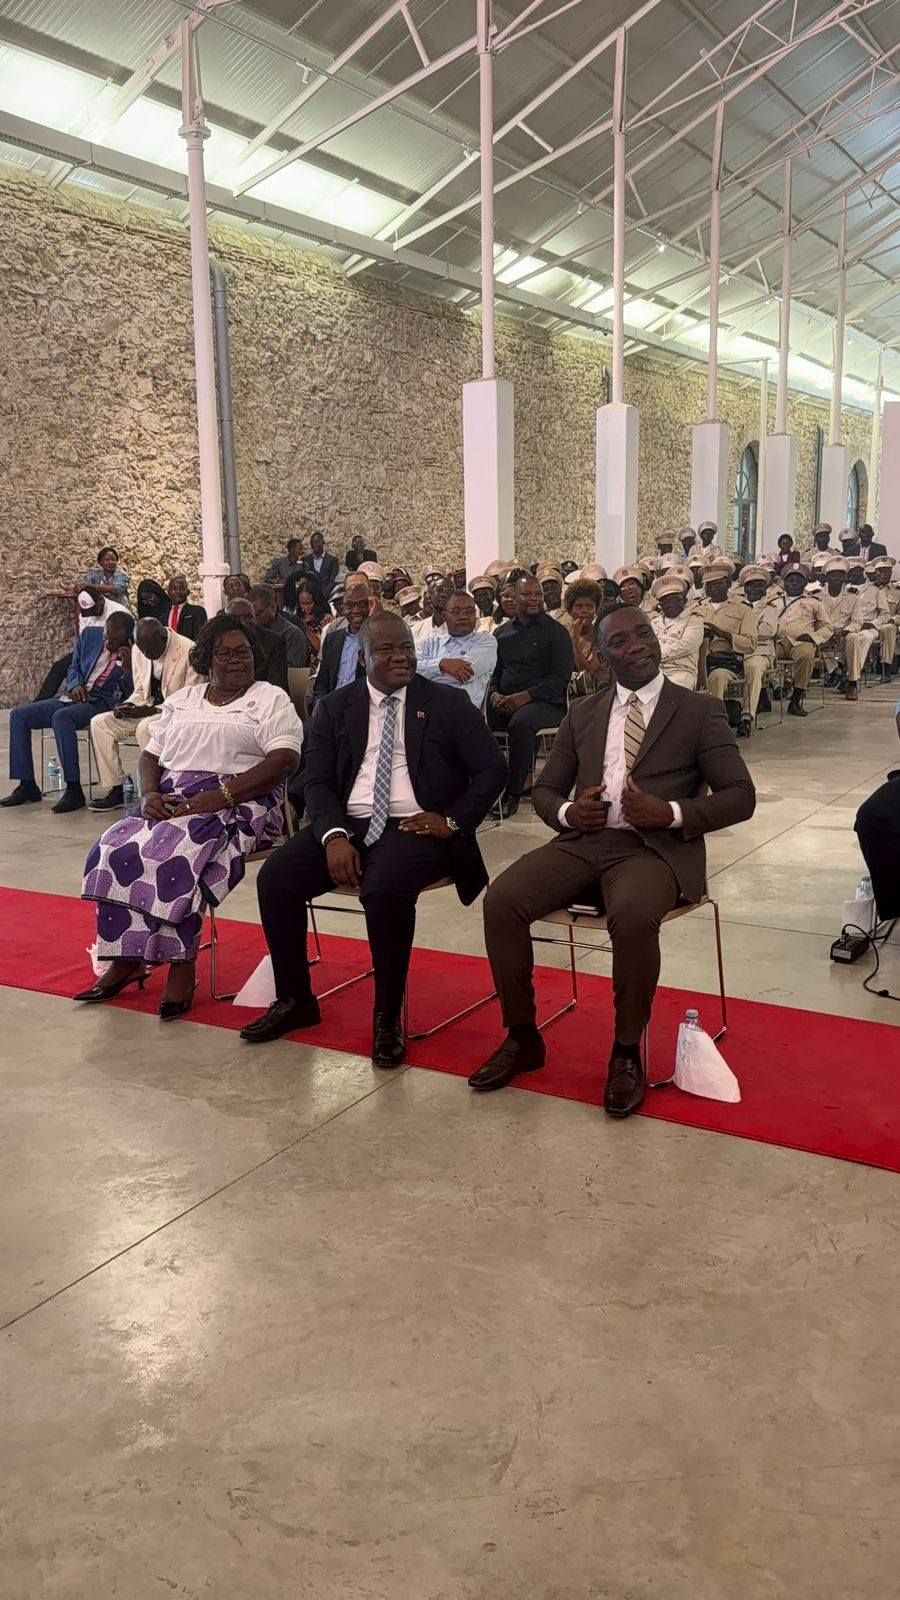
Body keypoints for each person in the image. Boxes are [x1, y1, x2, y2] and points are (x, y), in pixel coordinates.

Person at [468, 606, 756, 1113]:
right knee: (502, 901)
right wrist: (568, 812)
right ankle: (522, 1036)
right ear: (600, 657)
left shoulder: (699, 710)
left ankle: (625, 1051)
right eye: (620, 642)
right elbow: (547, 790)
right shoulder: (583, 712)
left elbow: (740, 796)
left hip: (654, 850)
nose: (637, 645)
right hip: (584, 842)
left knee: (632, 915)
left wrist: (670, 813)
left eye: (643, 634)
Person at [239, 613, 508, 1064]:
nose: (401, 656)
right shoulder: (335, 707)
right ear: (363, 658)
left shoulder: (447, 702)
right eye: (386, 649)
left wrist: (453, 821)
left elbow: (492, 769)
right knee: (276, 877)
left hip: (417, 826)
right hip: (349, 822)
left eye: (406, 647)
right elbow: (317, 780)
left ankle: (386, 1016)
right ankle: (295, 999)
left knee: (383, 889)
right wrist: (332, 835)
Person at [76, 616, 301, 1020]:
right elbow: (151, 756)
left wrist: (222, 796)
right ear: (206, 659)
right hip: (176, 796)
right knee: (113, 847)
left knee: (177, 853)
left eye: (243, 652)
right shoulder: (184, 700)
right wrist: (149, 794)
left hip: (243, 799)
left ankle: (182, 963)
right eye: (225, 654)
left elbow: (284, 760)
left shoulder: (269, 699)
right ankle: (127, 958)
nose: (236, 661)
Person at [2, 613, 134, 813]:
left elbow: (133, 693)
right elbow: (73, 667)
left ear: (127, 640)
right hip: (75, 696)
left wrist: (127, 669)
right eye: (106, 638)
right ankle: (27, 785)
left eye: (114, 643)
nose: (108, 644)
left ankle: (73, 789)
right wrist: (76, 685)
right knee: (19, 715)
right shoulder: (89, 635)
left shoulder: (136, 652)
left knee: (62, 718)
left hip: (102, 702)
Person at [89, 619, 201, 811]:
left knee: (146, 727)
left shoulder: (188, 650)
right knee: (100, 723)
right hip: (148, 708)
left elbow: (191, 698)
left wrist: (151, 711)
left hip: (177, 713)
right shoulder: (139, 649)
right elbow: (141, 690)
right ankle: (116, 788)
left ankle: (156, 789)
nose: (147, 655)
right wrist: (127, 706)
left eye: (151, 651)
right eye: (143, 651)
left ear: (163, 638)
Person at [488, 576, 574, 816]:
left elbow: (560, 679)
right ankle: (483, 786)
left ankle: (513, 792)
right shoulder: (501, 634)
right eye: (527, 594)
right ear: (514, 598)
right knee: (472, 720)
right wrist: (494, 695)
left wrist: (524, 697)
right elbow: (493, 674)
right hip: (505, 701)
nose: (534, 599)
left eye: (538, 594)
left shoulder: (557, 633)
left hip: (546, 703)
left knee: (521, 722)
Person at [694, 561, 758, 719]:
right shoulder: (696, 609)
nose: (713, 588)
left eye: (718, 584)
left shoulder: (742, 609)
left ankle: (714, 721)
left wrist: (723, 634)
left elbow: (751, 644)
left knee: (718, 677)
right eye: (709, 585)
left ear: (728, 583)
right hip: (697, 661)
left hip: (725, 662)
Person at [416, 591, 498, 708]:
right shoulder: (429, 644)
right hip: (425, 710)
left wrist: (426, 676)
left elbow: (464, 674)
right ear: (444, 616)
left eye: (469, 611)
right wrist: (441, 664)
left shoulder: (486, 641)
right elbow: (412, 670)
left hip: (462, 712)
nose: (463, 616)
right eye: (456, 611)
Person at [774, 564, 833, 716]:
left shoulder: (814, 602)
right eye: (790, 580)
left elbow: (827, 627)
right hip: (778, 641)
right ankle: (764, 695)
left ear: (805, 583)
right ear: (784, 583)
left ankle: (796, 698)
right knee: (760, 655)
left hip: (800, 642)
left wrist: (813, 637)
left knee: (807, 656)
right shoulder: (774, 601)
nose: (793, 583)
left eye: (798, 580)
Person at [310, 583, 369, 706]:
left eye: (363, 605)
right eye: (350, 606)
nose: (356, 610)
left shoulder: (377, 640)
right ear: (344, 609)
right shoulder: (332, 639)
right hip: (332, 705)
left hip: (361, 705)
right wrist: (319, 702)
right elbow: (322, 682)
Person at [820, 558, 869, 701]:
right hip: (823, 635)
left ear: (845, 577)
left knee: (854, 638)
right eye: (833, 574)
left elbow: (857, 621)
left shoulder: (853, 598)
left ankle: (852, 682)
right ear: (826, 577)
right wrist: (826, 633)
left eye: (840, 574)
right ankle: (833, 671)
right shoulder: (817, 597)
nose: (836, 578)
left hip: (842, 635)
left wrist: (844, 631)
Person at [739, 567, 781, 729]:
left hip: (759, 651)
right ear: (745, 588)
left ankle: (747, 715)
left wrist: (740, 631)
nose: (755, 589)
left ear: (765, 588)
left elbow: (767, 630)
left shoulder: (770, 608)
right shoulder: (737, 605)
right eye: (751, 585)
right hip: (734, 649)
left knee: (754, 668)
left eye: (760, 585)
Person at [649, 576, 705, 690]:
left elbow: (686, 646)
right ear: (660, 604)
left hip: (681, 672)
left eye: (675, 599)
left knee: (670, 692)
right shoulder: (653, 623)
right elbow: (647, 646)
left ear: (683, 600)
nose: (671, 604)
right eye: (666, 601)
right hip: (654, 672)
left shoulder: (694, 621)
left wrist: (656, 654)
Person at [224, 598, 289, 693]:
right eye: (236, 618)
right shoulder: (220, 644)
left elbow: (276, 685)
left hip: (264, 696)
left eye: (248, 617)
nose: (243, 622)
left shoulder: (274, 642)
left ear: (255, 617)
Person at [560, 578, 609, 696]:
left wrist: (575, 640)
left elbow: (586, 673)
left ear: (596, 610)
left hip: (598, 693)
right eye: (579, 606)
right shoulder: (561, 634)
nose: (584, 611)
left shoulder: (602, 635)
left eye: (589, 606)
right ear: (570, 610)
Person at [411, 576, 453, 644]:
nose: (444, 594)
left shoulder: (463, 629)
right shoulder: (415, 631)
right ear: (429, 596)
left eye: (450, 590)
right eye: (439, 590)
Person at [165, 574, 207, 642]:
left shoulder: (197, 612)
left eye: (182, 589)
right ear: (168, 592)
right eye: (174, 588)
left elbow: (201, 637)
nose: (178, 591)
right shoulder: (162, 614)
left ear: (188, 592)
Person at [300, 531, 339, 597]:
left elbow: (332, 581)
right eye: (312, 542)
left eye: (317, 541)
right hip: (310, 595)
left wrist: (323, 595)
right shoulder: (307, 560)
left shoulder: (332, 560)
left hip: (327, 595)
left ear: (323, 543)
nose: (314, 544)